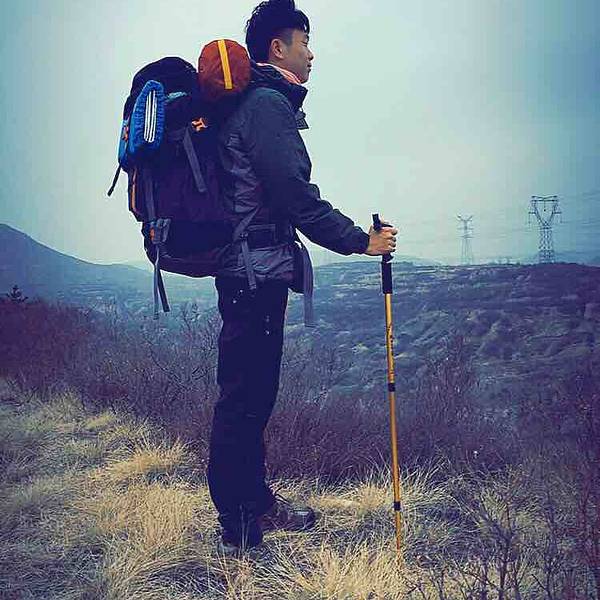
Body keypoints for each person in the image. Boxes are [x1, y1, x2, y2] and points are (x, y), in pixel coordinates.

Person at [207, 0, 397, 553]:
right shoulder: (267, 105)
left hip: (252, 268)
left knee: (251, 393)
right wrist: (360, 240)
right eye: (304, 42)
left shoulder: (258, 104)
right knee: (245, 397)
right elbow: (295, 196)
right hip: (254, 271)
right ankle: (240, 525)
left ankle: (253, 503)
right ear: (278, 48)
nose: (311, 54)